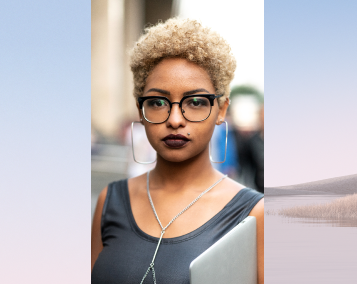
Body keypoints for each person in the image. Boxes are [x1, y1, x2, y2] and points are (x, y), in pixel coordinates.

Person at [91, 18, 264, 284]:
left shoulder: (254, 215)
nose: (174, 119)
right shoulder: (109, 201)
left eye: (195, 102)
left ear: (221, 110)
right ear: (141, 111)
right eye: (158, 102)